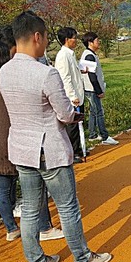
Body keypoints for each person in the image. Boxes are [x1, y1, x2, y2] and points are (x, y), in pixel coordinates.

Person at [0, 11, 111, 262]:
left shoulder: (4, 71)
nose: (46, 41)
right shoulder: (45, 73)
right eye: (46, 37)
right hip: (49, 149)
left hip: (21, 149)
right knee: (67, 206)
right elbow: (64, 114)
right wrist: (75, 115)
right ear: (37, 36)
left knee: (29, 208)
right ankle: (82, 258)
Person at [0, 40, 64, 243]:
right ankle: (44, 227)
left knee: (3, 187)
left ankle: (10, 227)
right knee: (34, 185)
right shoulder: (4, 80)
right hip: (12, 138)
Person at [80, 32, 118, 145]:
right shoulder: (89, 56)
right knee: (99, 112)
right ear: (90, 42)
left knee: (93, 112)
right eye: (97, 40)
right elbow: (92, 75)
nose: (99, 42)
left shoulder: (90, 54)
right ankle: (104, 136)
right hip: (92, 89)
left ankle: (92, 134)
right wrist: (99, 91)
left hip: (90, 88)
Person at [54, 27, 86, 163]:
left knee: (78, 124)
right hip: (72, 98)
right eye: (74, 38)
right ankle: (72, 153)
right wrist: (72, 96)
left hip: (78, 94)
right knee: (72, 127)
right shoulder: (63, 56)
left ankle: (79, 149)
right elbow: (64, 77)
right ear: (67, 40)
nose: (76, 41)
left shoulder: (70, 54)